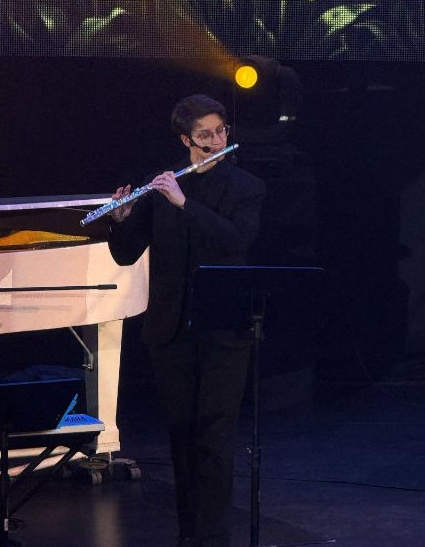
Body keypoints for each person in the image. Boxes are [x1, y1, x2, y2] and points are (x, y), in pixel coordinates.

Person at [108, 94, 266, 547]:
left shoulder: (246, 186)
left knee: (214, 441)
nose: (216, 141)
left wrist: (184, 205)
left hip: (223, 333)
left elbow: (236, 239)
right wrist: (120, 219)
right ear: (186, 141)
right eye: (204, 136)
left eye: (220, 131)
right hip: (170, 331)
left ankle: (213, 539)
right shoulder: (161, 185)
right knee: (181, 439)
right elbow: (126, 253)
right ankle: (189, 537)